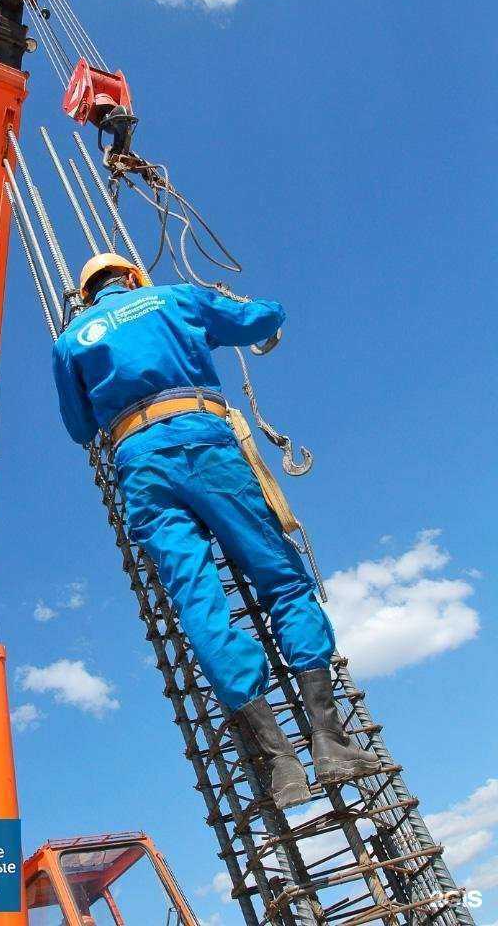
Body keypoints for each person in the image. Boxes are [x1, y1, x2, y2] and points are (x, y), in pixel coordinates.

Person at [52, 253, 380, 809]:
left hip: (139, 463)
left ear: (86, 295)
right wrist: (267, 310)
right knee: (281, 581)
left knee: (199, 605)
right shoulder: (175, 297)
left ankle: (280, 766)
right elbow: (258, 320)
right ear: (132, 277)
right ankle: (329, 743)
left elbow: (82, 428)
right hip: (204, 439)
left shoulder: (71, 340)